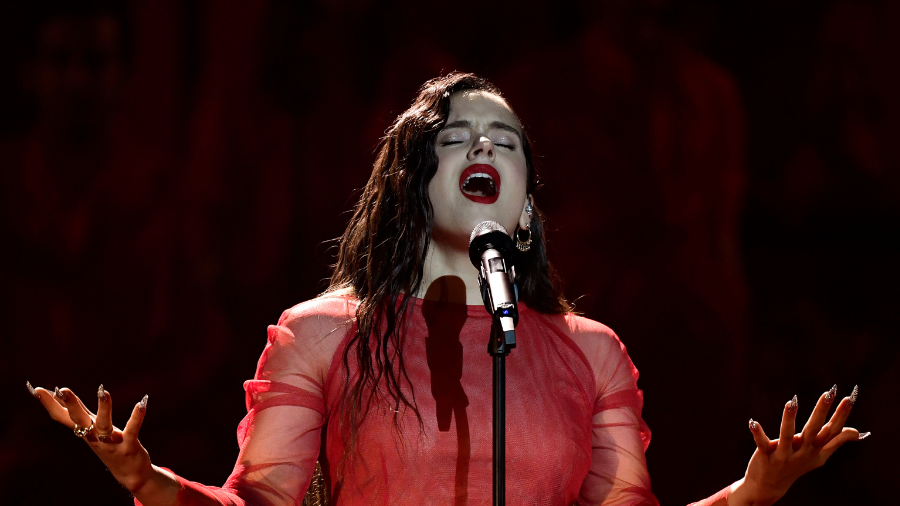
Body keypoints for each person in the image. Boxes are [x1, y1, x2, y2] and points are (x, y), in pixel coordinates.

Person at [27, 73, 867, 505]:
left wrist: (754, 492)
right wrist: (148, 480)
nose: (485, 148)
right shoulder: (323, 333)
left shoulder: (591, 353)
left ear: (525, 198)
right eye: (457, 137)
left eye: (506, 140)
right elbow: (259, 503)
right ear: (412, 181)